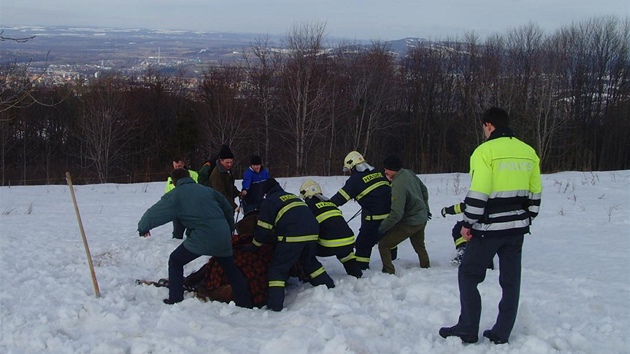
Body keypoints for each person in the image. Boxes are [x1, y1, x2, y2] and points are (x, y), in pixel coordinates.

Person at [439, 107, 542, 344]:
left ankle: (467, 326)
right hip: (517, 229)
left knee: (468, 274)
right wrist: (527, 217)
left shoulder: (484, 152)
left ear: (488, 125)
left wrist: (468, 223)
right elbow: (535, 192)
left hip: (488, 229)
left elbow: (479, 192)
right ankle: (502, 332)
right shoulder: (528, 152)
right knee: (510, 281)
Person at [137, 168, 253, 308]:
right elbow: (228, 208)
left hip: (202, 235)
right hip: (222, 234)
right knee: (230, 268)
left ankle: (175, 298)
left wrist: (143, 227)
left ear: (174, 182)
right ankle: (245, 302)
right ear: (189, 177)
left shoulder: (176, 195)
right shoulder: (207, 190)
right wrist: (228, 230)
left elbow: (154, 213)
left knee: (175, 260)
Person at [246, 177, 335, 311]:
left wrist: (254, 246)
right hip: (313, 232)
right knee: (310, 262)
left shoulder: (269, 201)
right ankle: (329, 287)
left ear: (265, 193)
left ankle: (274, 307)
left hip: (293, 236)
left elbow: (263, 230)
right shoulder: (291, 196)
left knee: (278, 269)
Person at [330, 151, 391, 270]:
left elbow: (339, 199)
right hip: (391, 216)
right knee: (387, 239)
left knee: (363, 244)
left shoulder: (354, 180)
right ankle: (392, 257)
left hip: (374, 218)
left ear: (352, 167)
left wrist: (324, 206)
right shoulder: (378, 173)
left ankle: (362, 267)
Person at [377, 155, 431, 274]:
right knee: (419, 246)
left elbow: (396, 213)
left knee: (384, 245)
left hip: (410, 222)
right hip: (422, 218)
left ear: (392, 170)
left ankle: (389, 272)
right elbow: (424, 190)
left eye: (386, 169)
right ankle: (426, 268)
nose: (385, 172)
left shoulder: (398, 185)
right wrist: (426, 209)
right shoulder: (408, 173)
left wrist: (382, 228)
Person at [299, 179, 363, 278]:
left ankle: (316, 276)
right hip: (349, 241)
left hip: (327, 246)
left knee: (305, 249)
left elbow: (306, 229)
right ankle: (356, 273)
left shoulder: (307, 207)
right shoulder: (331, 203)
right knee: (346, 254)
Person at [442, 202, 494, 269]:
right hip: (494, 227)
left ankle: (462, 250)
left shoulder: (478, 199)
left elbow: (463, 207)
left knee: (458, 230)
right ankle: (487, 262)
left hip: (479, 225)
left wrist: (447, 210)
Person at [164, 157, 199, 239]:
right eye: (175, 167)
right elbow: (167, 193)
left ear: (183, 164)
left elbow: (198, 189)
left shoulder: (193, 174)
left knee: (193, 232)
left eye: (179, 166)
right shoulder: (170, 178)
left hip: (191, 208)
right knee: (177, 233)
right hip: (177, 209)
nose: (177, 168)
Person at [210, 144, 241, 211]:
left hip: (227, 207)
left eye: (231, 162)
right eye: (227, 162)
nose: (229, 164)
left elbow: (229, 186)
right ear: (221, 161)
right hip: (220, 208)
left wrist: (238, 193)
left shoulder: (226, 171)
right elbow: (221, 194)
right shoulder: (217, 174)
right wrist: (234, 206)